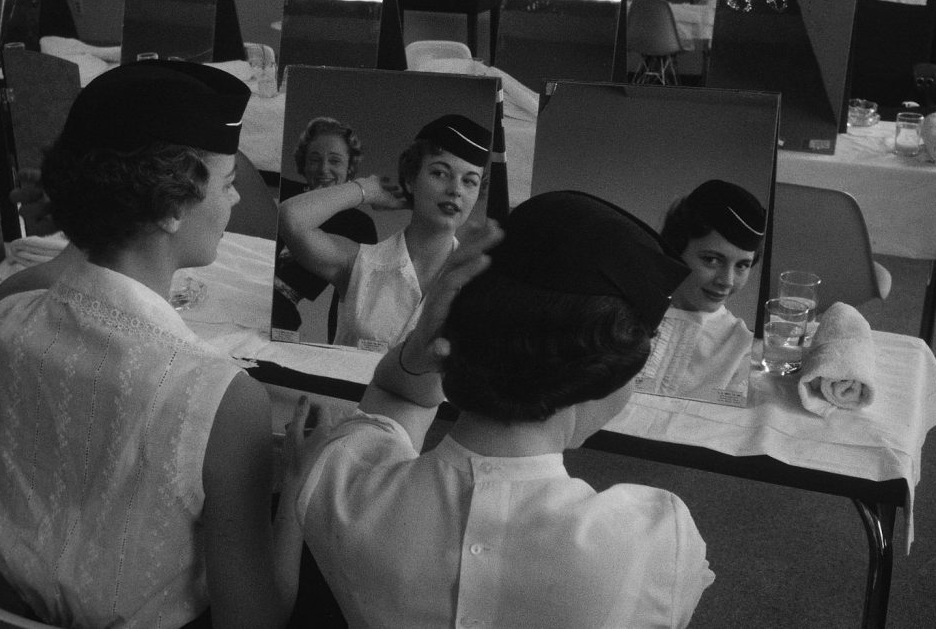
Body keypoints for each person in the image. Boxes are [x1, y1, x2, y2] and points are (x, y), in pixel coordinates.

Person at [0, 60, 309, 629]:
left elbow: (52, 274)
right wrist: (298, 489)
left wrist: (86, 214)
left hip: (10, 609)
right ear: (171, 206)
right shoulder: (224, 401)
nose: (231, 204)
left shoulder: (3, 314)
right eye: (227, 185)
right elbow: (254, 620)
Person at [295, 190, 714, 628]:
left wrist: (424, 339)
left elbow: (396, 395)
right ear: (607, 373)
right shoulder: (658, 541)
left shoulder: (341, 484)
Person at [278, 113, 490, 352]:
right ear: (410, 179)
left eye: (470, 181)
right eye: (440, 173)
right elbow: (291, 218)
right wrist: (367, 189)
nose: (455, 190)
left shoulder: (480, 285)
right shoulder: (359, 262)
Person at [633, 179, 767, 399]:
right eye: (712, 260)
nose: (727, 281)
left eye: (742, 265)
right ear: (675, 249)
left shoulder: (743, 349)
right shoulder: (620, 316)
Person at [272, 117, 377, 336]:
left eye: (335, 161)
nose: (323, 169)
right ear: (304, 163)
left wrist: (333, 350)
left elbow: (347, 301)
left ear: (350, 167)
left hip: (280, 315)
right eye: (315, 159)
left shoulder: (359, 226)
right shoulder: (283, 192)